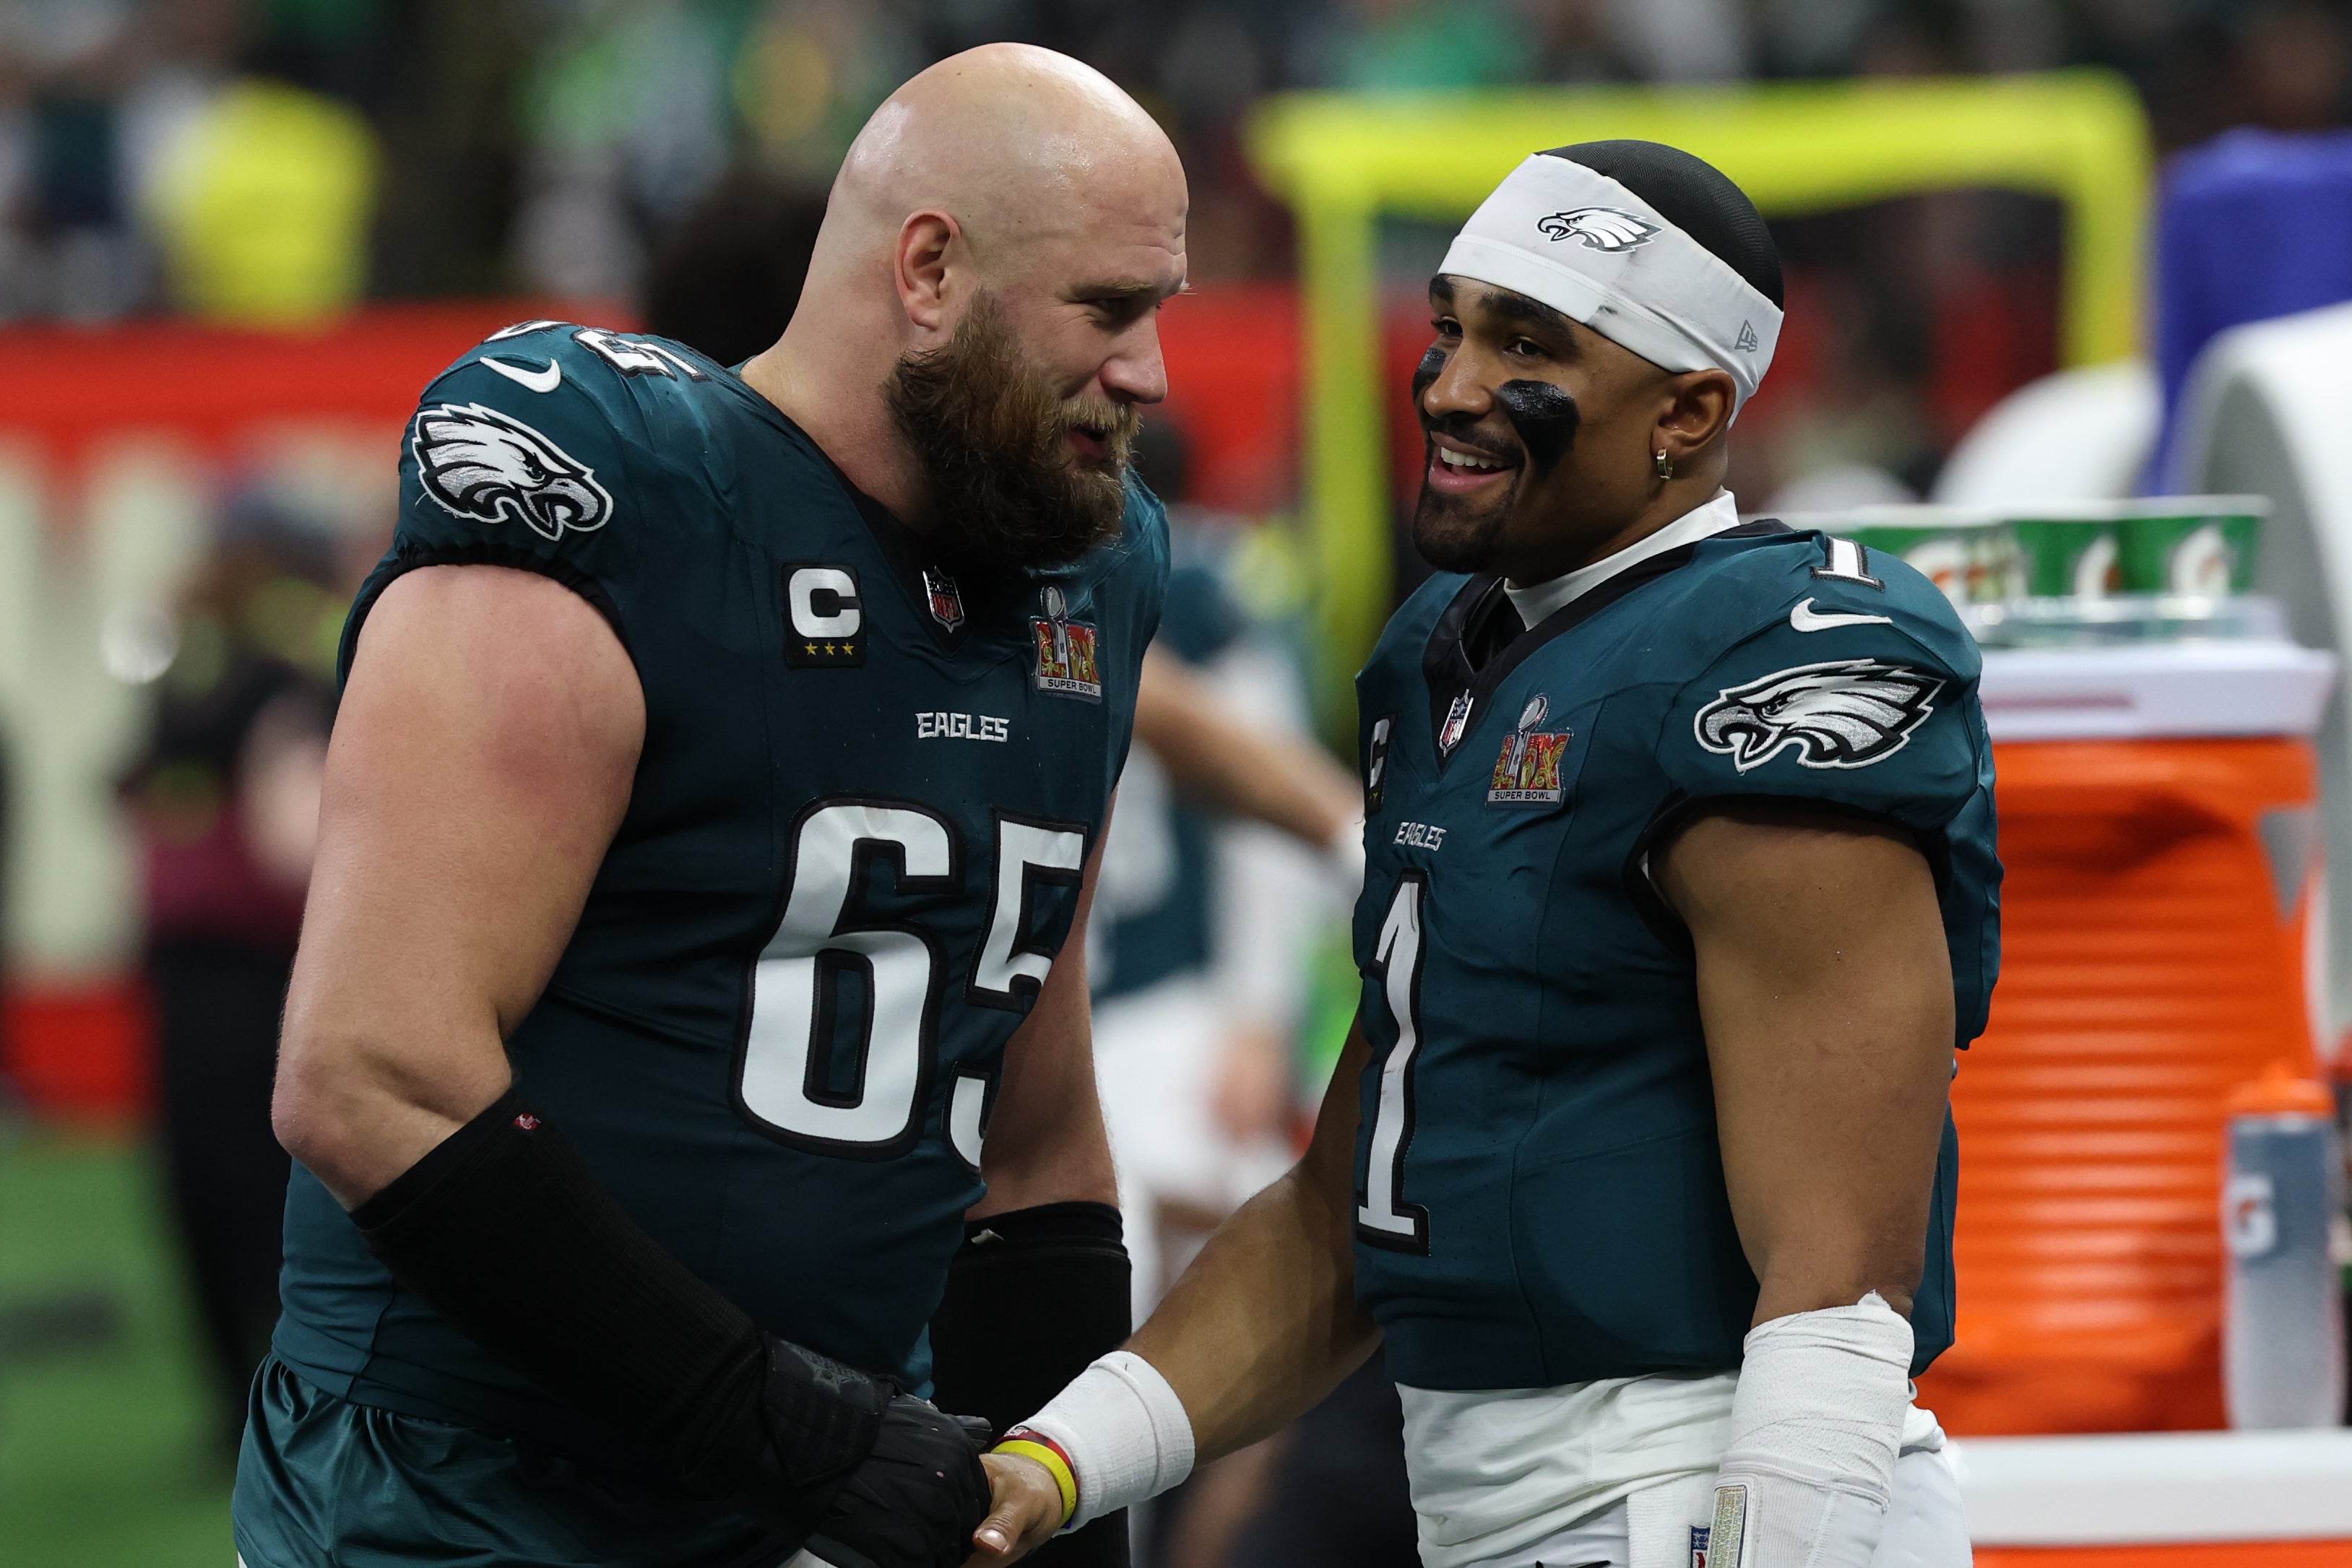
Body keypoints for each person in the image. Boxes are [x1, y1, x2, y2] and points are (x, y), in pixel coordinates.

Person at [974, 141, 2000, 1568]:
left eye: (1526, 346)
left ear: (1688, 408)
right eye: (1450, 327)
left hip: (1704, 1500)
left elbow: (1839, 1285)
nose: (1451, 385)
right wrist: (1048, 1462)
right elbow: (1343, 1219)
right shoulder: (1446, 654)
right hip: (1501, 1511)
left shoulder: (1764, 658)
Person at [233, 43, 1187, 1568]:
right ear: (929, 269)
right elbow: (371, 1080)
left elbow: (1034, 1142)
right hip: (459, 1489)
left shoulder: (1088, 569)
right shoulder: (625, 497)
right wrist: (791, 1434)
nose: (1149, 373)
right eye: (1108, 310)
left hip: (798, 1481)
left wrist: (1047, 1512)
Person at [121, 499, 337, 1459]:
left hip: (271, 961)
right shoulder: (188, 667)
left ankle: (292, 1392)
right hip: (192, 960)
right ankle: (236, 1399)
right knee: (198, 1185)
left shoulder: (295, 670)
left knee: (263, 1183)